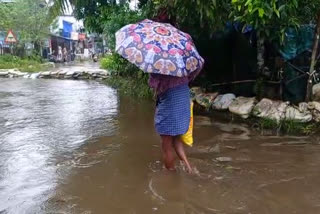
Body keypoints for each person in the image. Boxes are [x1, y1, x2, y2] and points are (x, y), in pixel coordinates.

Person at [149, 70, 200, 173]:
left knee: (167, 148)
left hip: (168, 114)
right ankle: (189, 168)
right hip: (183, 112)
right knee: (177, 140)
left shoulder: (158, 72)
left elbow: (153, 86)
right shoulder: (182, 71)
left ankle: (171, 174)